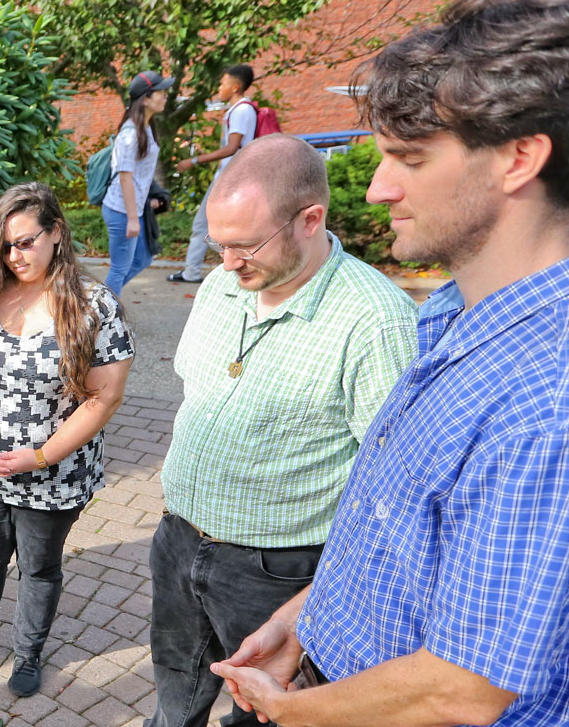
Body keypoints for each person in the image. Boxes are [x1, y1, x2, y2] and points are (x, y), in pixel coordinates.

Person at [212, 0, 569, 727]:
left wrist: (293, 711)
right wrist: (307, 619)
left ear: (518, 159)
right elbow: (408, 534)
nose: (377, 189)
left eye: (408, 159)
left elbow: (463, 689)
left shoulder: (567, 407)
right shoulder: (465, 313)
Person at [147, 134, 417, 727]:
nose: (226, 264)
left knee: (265, 708)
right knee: (174, 684)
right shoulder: (224, 283)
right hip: (179, 539)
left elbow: (393, 488)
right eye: (219, 245)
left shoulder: (375, 320)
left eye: (244, 246)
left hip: (278, 573)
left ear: (310, 219)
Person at [0, 182, 136, 697]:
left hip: (54, 473)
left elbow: (104, 397)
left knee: (39, 567)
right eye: (3, 245)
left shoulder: (92, 307)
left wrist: (40, 456)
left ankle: (28, 652)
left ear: (57, 234)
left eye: (25, 241)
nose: (13, 255)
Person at [168, 64, 261, 283]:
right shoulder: (240, 110)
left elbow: (232, 148)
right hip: (232, 177)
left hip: (230, 179)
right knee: (218, 226)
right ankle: (229, 268)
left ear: (236, 87)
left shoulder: (241, 110)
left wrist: (194, 160)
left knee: (203, 224)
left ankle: (196, 271)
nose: (219, 88)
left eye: (223, 83)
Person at [102, 71, 173, 298]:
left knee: (143, 257)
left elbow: (140, 175)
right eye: (160, 93)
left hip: (133, 209)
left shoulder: (146, 128)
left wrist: (147, 201)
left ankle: (102, 301)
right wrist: (132, 218)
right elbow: (125, 177)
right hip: (121, 211)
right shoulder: (131, 133)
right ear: (145, 99)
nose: (165, 97)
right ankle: (100, 315)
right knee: (120, 267)